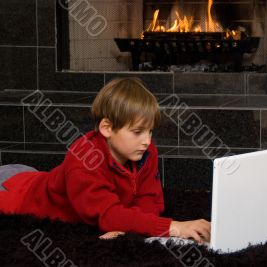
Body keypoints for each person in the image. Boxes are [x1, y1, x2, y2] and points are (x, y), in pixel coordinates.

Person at [0, 78, 210, 243]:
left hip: (38, 176)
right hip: (17, 189)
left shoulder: (145, 151)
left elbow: (149, 199)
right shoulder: (83, 159)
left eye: (150, 131)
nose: (147, 141)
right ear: (107, 128)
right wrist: (175, 227)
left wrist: (128, 226)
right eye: (137, 132)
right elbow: (107, 214)